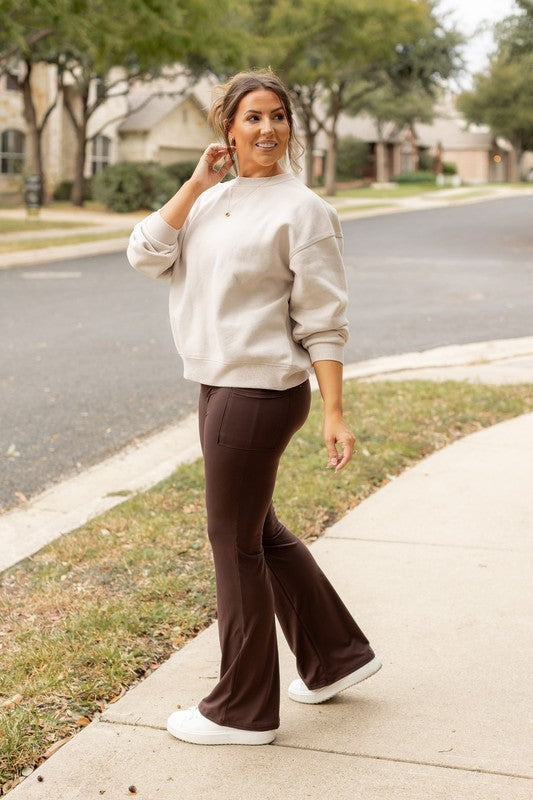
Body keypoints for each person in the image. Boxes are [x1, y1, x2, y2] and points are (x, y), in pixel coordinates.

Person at [127, 69, 381, 747]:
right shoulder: (212, 199)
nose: (267, 129)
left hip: (261, 391)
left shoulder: (304, 211)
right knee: (256, 531)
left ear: (290, 126)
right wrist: (195, 185)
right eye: (251, 118)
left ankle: (240, 709)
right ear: (228, 130)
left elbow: (324, 321)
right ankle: (335, 657)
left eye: (277, 116)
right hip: (216, 383)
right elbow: (145, 255)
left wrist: (333, 410)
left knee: (230, 543)